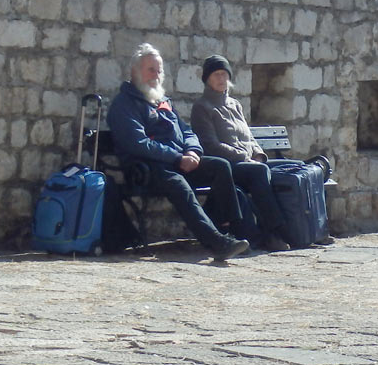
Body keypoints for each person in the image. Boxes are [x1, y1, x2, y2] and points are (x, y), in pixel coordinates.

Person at [106, 43, 250, 260]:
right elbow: (138, 143)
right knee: (177, 184)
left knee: (220, 167)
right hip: (146, 169)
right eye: (150, 70)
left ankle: (233, 230)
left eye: (159, 70)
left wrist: (192, 151)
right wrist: (176, 158)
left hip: (177, 162)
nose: (156, 75)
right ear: (135, 72)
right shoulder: (124, 105)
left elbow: (187, 131)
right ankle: (216, 242)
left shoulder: (162, 100)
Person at [190, 55, 292, 251]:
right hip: (228, 166)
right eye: (216, 74)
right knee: (259, 173)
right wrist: (245, 158)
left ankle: (307, 227)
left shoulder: (235, 104)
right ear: (207, 79)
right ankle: (277, 230)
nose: (221, 79)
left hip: (250, 162)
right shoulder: (202, 107)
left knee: (293, 168)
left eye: (224, 74)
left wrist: (259, 155)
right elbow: (211, 145)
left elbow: (249, 138)